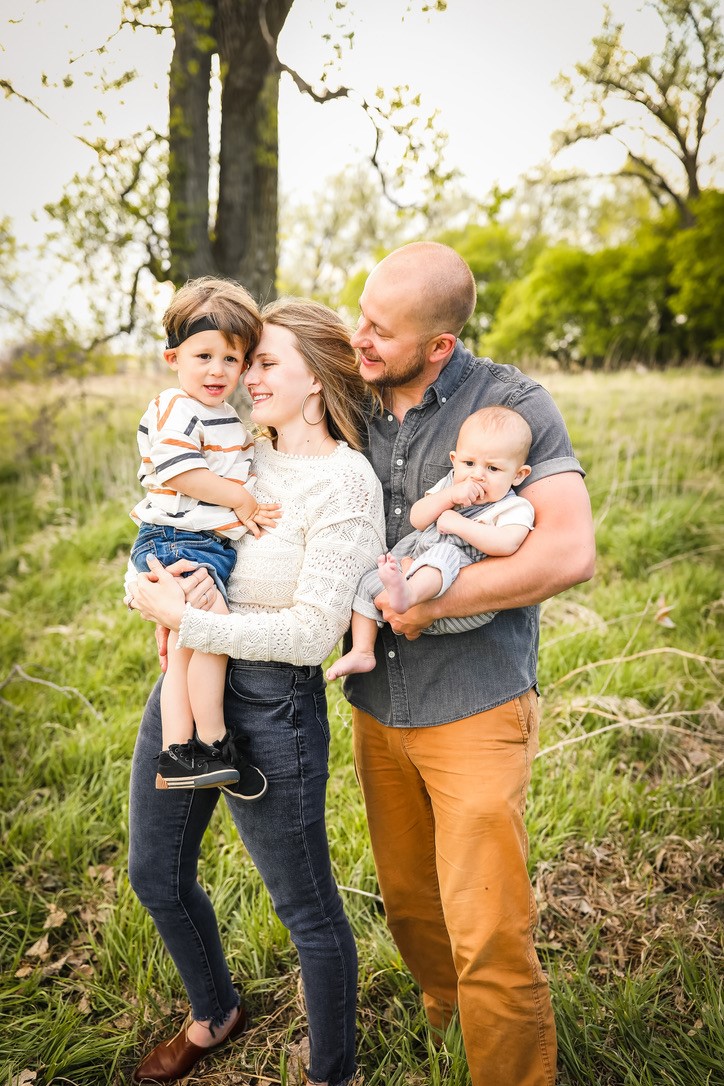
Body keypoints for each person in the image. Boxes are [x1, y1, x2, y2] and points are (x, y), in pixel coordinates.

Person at [343, 242, 596, 1086]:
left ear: (440, 345)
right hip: (377, 706)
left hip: (476, 705)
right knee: (412, 906)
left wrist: (430, 601)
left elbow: (567, 552)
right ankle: (450, 1033)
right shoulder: (353, 395)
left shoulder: (514, 406)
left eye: (381, 329)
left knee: (488, 926)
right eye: (360, 315)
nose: (360, 338)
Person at [127, 296, 386, 1086]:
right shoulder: (240, 452)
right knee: (154, 873)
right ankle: (215, 1012)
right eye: (241, 360)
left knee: (304, 911)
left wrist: (194, 622)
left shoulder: (346, 485)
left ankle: (330, 1073)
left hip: (275, 709)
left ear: (316, 377)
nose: (243, 376)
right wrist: (146, 584)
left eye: (263, 361)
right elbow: (168, 525)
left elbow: (314, 636)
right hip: (185, 682)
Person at [127, 277, 276, 797]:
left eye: (231, 359)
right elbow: (177, 472)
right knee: (211, 637)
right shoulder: (176, 407)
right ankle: (213, 742)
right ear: (174, 358)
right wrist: (240, 501)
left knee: (188, 651)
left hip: (194, 543)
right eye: (204, 356)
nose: (218, 370)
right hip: (174, 540)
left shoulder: (224, 416)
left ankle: (177, 752)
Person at [327, 404, 534, 680]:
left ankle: (408, 595)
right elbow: (418, 518)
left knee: (444, 554)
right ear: (454, 459)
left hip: (456, 595)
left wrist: (460, 523)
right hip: (415, 569)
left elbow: (506, 544)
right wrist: (449, 497)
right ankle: (363, 650)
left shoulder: (513, 507)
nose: (477, 475)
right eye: (469, 463)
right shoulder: (450, 485)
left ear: (519, 475)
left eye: (493, 468)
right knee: (368, 580)